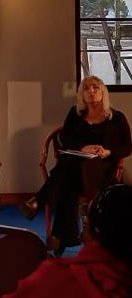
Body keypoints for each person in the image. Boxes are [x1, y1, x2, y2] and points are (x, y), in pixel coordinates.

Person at [20, 76, 131, 255]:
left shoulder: (116, 117)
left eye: (95, 87)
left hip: (102, 170)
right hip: (76, 168)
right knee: (71, 171)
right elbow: (65, 138)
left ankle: (39, 203)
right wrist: (83, 147)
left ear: (103, 92)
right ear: (82, 95)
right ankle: (60, 235)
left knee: (71, 168)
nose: (91, 91)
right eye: (86, 88)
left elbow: (127, 146)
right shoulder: (75, 114)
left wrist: (108, 152)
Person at [0, 183, 132, 298]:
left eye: (85, 213)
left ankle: (38, 203)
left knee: (67, 174)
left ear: (91, 231)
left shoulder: (55, 280)